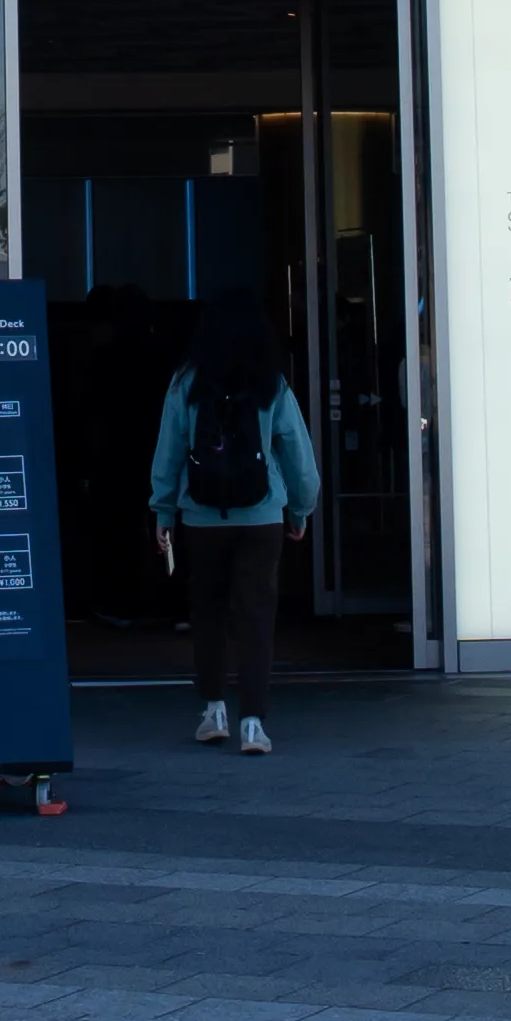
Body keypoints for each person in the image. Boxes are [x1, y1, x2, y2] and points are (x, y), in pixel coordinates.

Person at [143, 294, 315, 757]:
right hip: (261, 517)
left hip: (201, 517)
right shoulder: (270, 383)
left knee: (209, 613)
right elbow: (299, 458)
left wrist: (163, 513)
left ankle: (214, 710)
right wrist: (299, 510)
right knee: (257, 617)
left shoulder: (187, 382)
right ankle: (254, 724)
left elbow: (169, 452)